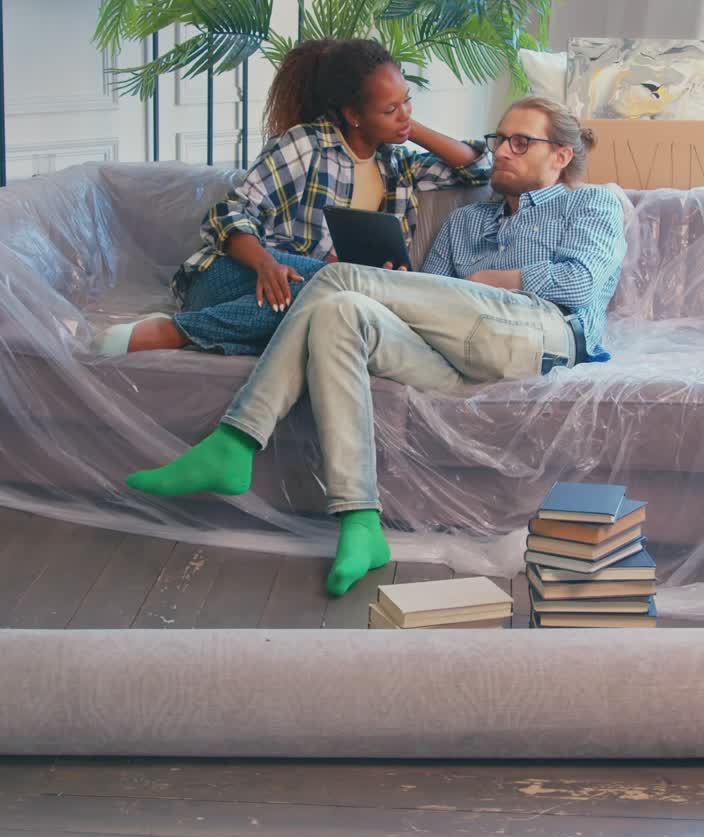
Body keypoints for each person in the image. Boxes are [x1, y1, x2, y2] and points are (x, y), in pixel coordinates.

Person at [127, 96, 627, 597]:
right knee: (337, 310)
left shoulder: (593, 203)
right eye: (500, 139)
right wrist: (399, 288)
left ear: (561, 155)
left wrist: (496, 280)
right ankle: (361, 523)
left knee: (340, 278)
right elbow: (435, 299)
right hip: (454, 359)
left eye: (522, 142)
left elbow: (579, 284)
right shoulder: (466, 223)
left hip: (538, 337)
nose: (502, 152)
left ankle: (235, 440)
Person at [95, 37, 491, 355]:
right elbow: (228, 215)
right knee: (345, 289)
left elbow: (477, 166)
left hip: (301, 296)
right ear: (354, 114)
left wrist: (405, 126)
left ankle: (202, 333)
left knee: (347, 304)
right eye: (390, 108)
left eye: (407, 101)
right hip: (233, 279)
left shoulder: (399, 165)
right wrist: (267, 264)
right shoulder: (307, 146)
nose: (404, 113)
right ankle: (174, 333)